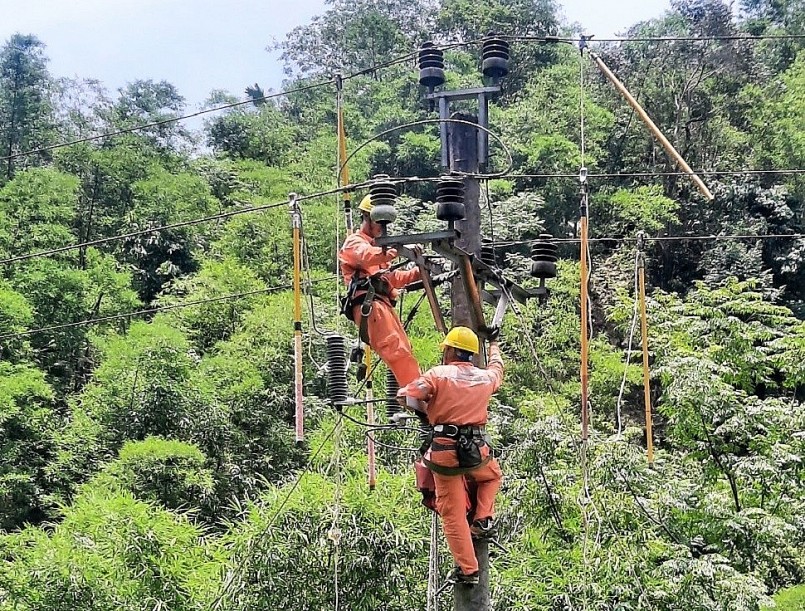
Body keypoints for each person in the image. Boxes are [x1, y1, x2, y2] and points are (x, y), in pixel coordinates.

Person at [397, 326, 504, 585]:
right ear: (470, 354)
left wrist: (428, 408)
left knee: (453, 512)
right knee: (491, 477)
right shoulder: (485, 378)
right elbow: (497, 368)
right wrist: (494, 345)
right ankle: (482, 519)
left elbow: (407, 394)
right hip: (475, 449)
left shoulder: (438, 375)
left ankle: (469, 570)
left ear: (452, 351)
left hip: (445, 452)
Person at [338, 194, 421, 388]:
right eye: (379, 221)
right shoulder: (355, 242)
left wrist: (420, 271)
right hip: (369, 304)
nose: (383, 228)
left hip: (381, 304)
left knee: (405, 350)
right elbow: (366, 257)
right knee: (396, 349)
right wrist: (397, 249)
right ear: (366, 217)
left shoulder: (380, 250)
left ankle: (419, 393)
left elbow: (392, 279)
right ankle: (417, 393)